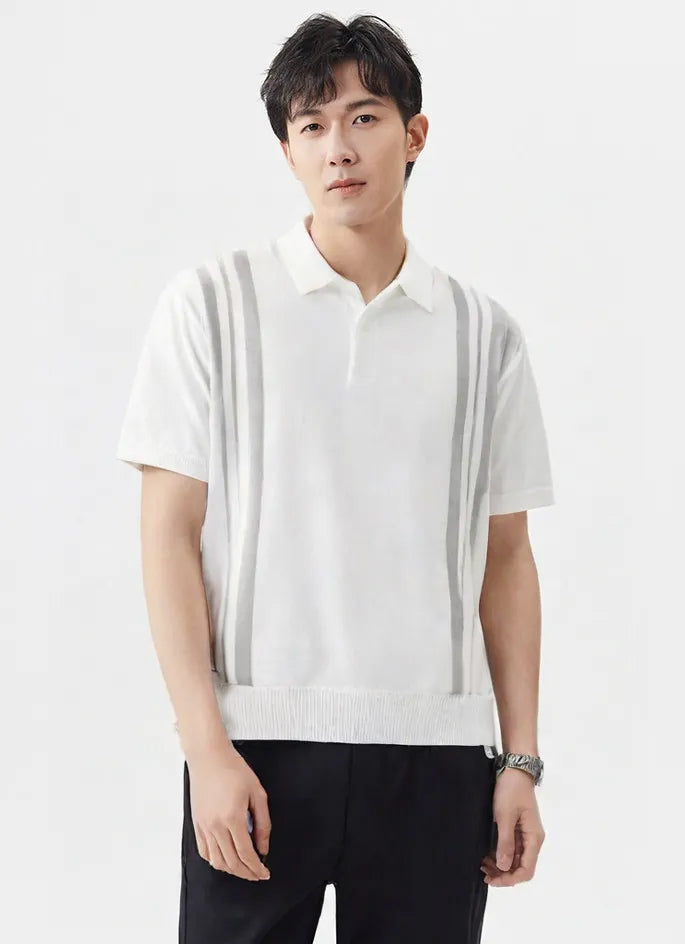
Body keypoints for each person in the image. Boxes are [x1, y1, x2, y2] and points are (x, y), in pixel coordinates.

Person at [116, 12, 555, 944]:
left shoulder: (485, 336)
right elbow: (167, 536)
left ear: (415, 134)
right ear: (287, 151)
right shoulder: (212, 306)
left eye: (364, 117)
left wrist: (519, 761)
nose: (338, 148)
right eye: (311, 125)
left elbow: (508, 559)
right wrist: (206, 749)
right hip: (257, 752)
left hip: (437, 757)